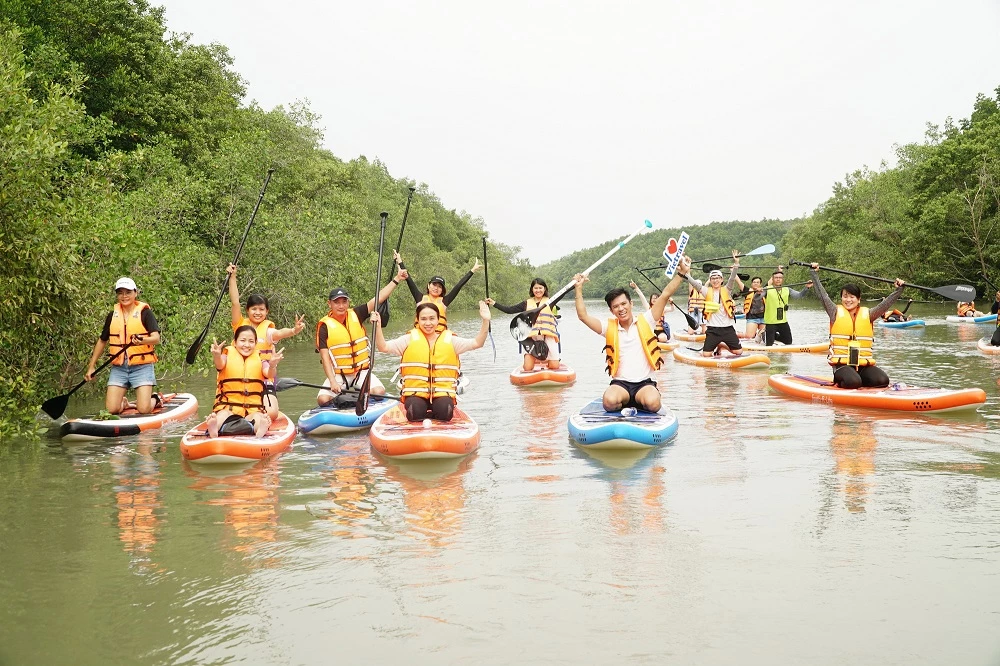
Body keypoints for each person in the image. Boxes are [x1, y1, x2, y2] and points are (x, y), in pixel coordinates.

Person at [573, 259, 686, 413]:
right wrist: (578, 289)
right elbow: (583, 316)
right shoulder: (608, 327)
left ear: (631, 304)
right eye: (616, 306)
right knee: (609, 402)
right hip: (621, 384)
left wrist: (681, 274)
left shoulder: (647, 320)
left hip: (644, 384)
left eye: (624, 304)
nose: (621, 308)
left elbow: (665, 294)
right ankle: (626, 404)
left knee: (653, 403)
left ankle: (642, 402)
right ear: (611, 310)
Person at [372, 301, 490, 422]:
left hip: (442, 393)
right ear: (417, 320)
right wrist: (378, 326)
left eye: (432, 318)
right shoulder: (408, 339)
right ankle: (419, 415)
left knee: (446, 412)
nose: (428, 323)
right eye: (423, 319)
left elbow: (477, 343)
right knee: (414, 411)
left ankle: (436, 414)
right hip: (416, 393)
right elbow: (383, 347)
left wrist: (486, 321)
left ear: (438, 320)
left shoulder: (451, 340)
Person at [315, 266, 408, 407]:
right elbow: (325, 357)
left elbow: (379, 298)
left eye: (344, 302)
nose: (341, 306)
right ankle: (347, 398)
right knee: (323, 400)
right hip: (340, 374)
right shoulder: (324, 326)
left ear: (348, 302)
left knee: (379, 391)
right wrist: (332, 381)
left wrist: (397, 279)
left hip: (361, 371)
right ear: (330, 304)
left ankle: (356, 398)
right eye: (336, 302)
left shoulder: (357, 313)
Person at [227, 264, 306, 418]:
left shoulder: (268, 330)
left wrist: (293, 330)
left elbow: (279, 333)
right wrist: (233, 277)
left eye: (261, 309)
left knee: (271, 413)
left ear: (267, 311)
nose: (258, 313)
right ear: (248, 310)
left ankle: (262, 413)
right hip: (239, 377)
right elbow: (235, 302)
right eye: (254, 309)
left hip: (263, 376)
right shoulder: (239, 325)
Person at [810, 262, 904, 389]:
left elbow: (885, 305)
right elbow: (823, 296)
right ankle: (845, 382)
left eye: (852, 297)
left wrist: (899, 290)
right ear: (841, 298)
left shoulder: (869, 314)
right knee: (853, 382)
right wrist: (814, 274)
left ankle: (860, 381)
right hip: (841, 366)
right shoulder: (834, 312)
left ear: (859, 299)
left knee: (882, 380)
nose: (848, 300)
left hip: (863, 366)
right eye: (845, 296)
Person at [85, 277, 162, 414]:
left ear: (135, 293)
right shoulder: (112, 316)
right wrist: (91, 367)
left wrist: (142, 340)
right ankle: (124, 403)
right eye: (120, 293)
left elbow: (156, 338)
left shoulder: (145, 313)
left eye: (128, 292)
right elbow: (102, 341)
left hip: (142, 366)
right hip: (119, 368)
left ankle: (155, 398)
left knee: (143, 409)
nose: (124, 296)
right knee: (111, 409)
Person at [206, 325, 284, 438]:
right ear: (235, 342)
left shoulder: (260, 359)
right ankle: (214, 428)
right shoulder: (226, 355)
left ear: (256, 343)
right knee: (222, 415)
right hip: (228, 408)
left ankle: (260, 430)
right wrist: (217, 356)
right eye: (242, 340)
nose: (247, 345)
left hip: (252, 411)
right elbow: (220, 364)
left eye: (251, 341)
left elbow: (269, 374)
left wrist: (272, 365)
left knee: (258, 418)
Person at [394, 250, 483, 332]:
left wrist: (472, 271)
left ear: (442, 290)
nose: (436, 288)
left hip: (438, 335)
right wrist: (400, 261)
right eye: (434, 285)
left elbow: (459, 286)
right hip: (421, 335)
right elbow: (409, 279)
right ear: (429, 285)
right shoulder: (420, 298)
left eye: (439, 286)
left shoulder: (444, 301)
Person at [487, 278, 562, 371]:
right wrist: (493, 303)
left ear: (545, 289)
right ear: (532, 290)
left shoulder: (550, 301)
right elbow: (509, 310)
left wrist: (576, 283)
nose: (538, 290)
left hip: (548, 336)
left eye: (540, 288)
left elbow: (563, 292)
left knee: (554, 366)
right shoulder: (526, 303)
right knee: (528, 368)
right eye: (535, 288)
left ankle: (550, 362)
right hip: (531, 338)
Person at [678, 252, 743, 357]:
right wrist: (687, 271)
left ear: (721, 280)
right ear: (710, 280)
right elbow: (693, 283)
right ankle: (717, 343)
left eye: (718, 278)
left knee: (738, 352)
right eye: (713, 278)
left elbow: (732, 278)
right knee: (706, 354)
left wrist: (736, 263)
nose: (715, 280)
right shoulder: (706, 291)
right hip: (713, 329)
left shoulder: (727, 289)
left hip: (727, 328)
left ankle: (721, 345)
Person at [761, 267, 814, 346]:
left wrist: (807, 288)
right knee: (769, 345)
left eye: (780, 278)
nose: (778, 279)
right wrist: (758, 293)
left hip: (783, 321)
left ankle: (773, 336)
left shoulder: (787, 289)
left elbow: (799, 296)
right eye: (776, 278)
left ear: (783, 279)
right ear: (772, 279)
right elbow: (758, 298)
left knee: (788, 342)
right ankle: (764, 335)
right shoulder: (767, 289)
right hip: (770, 322)